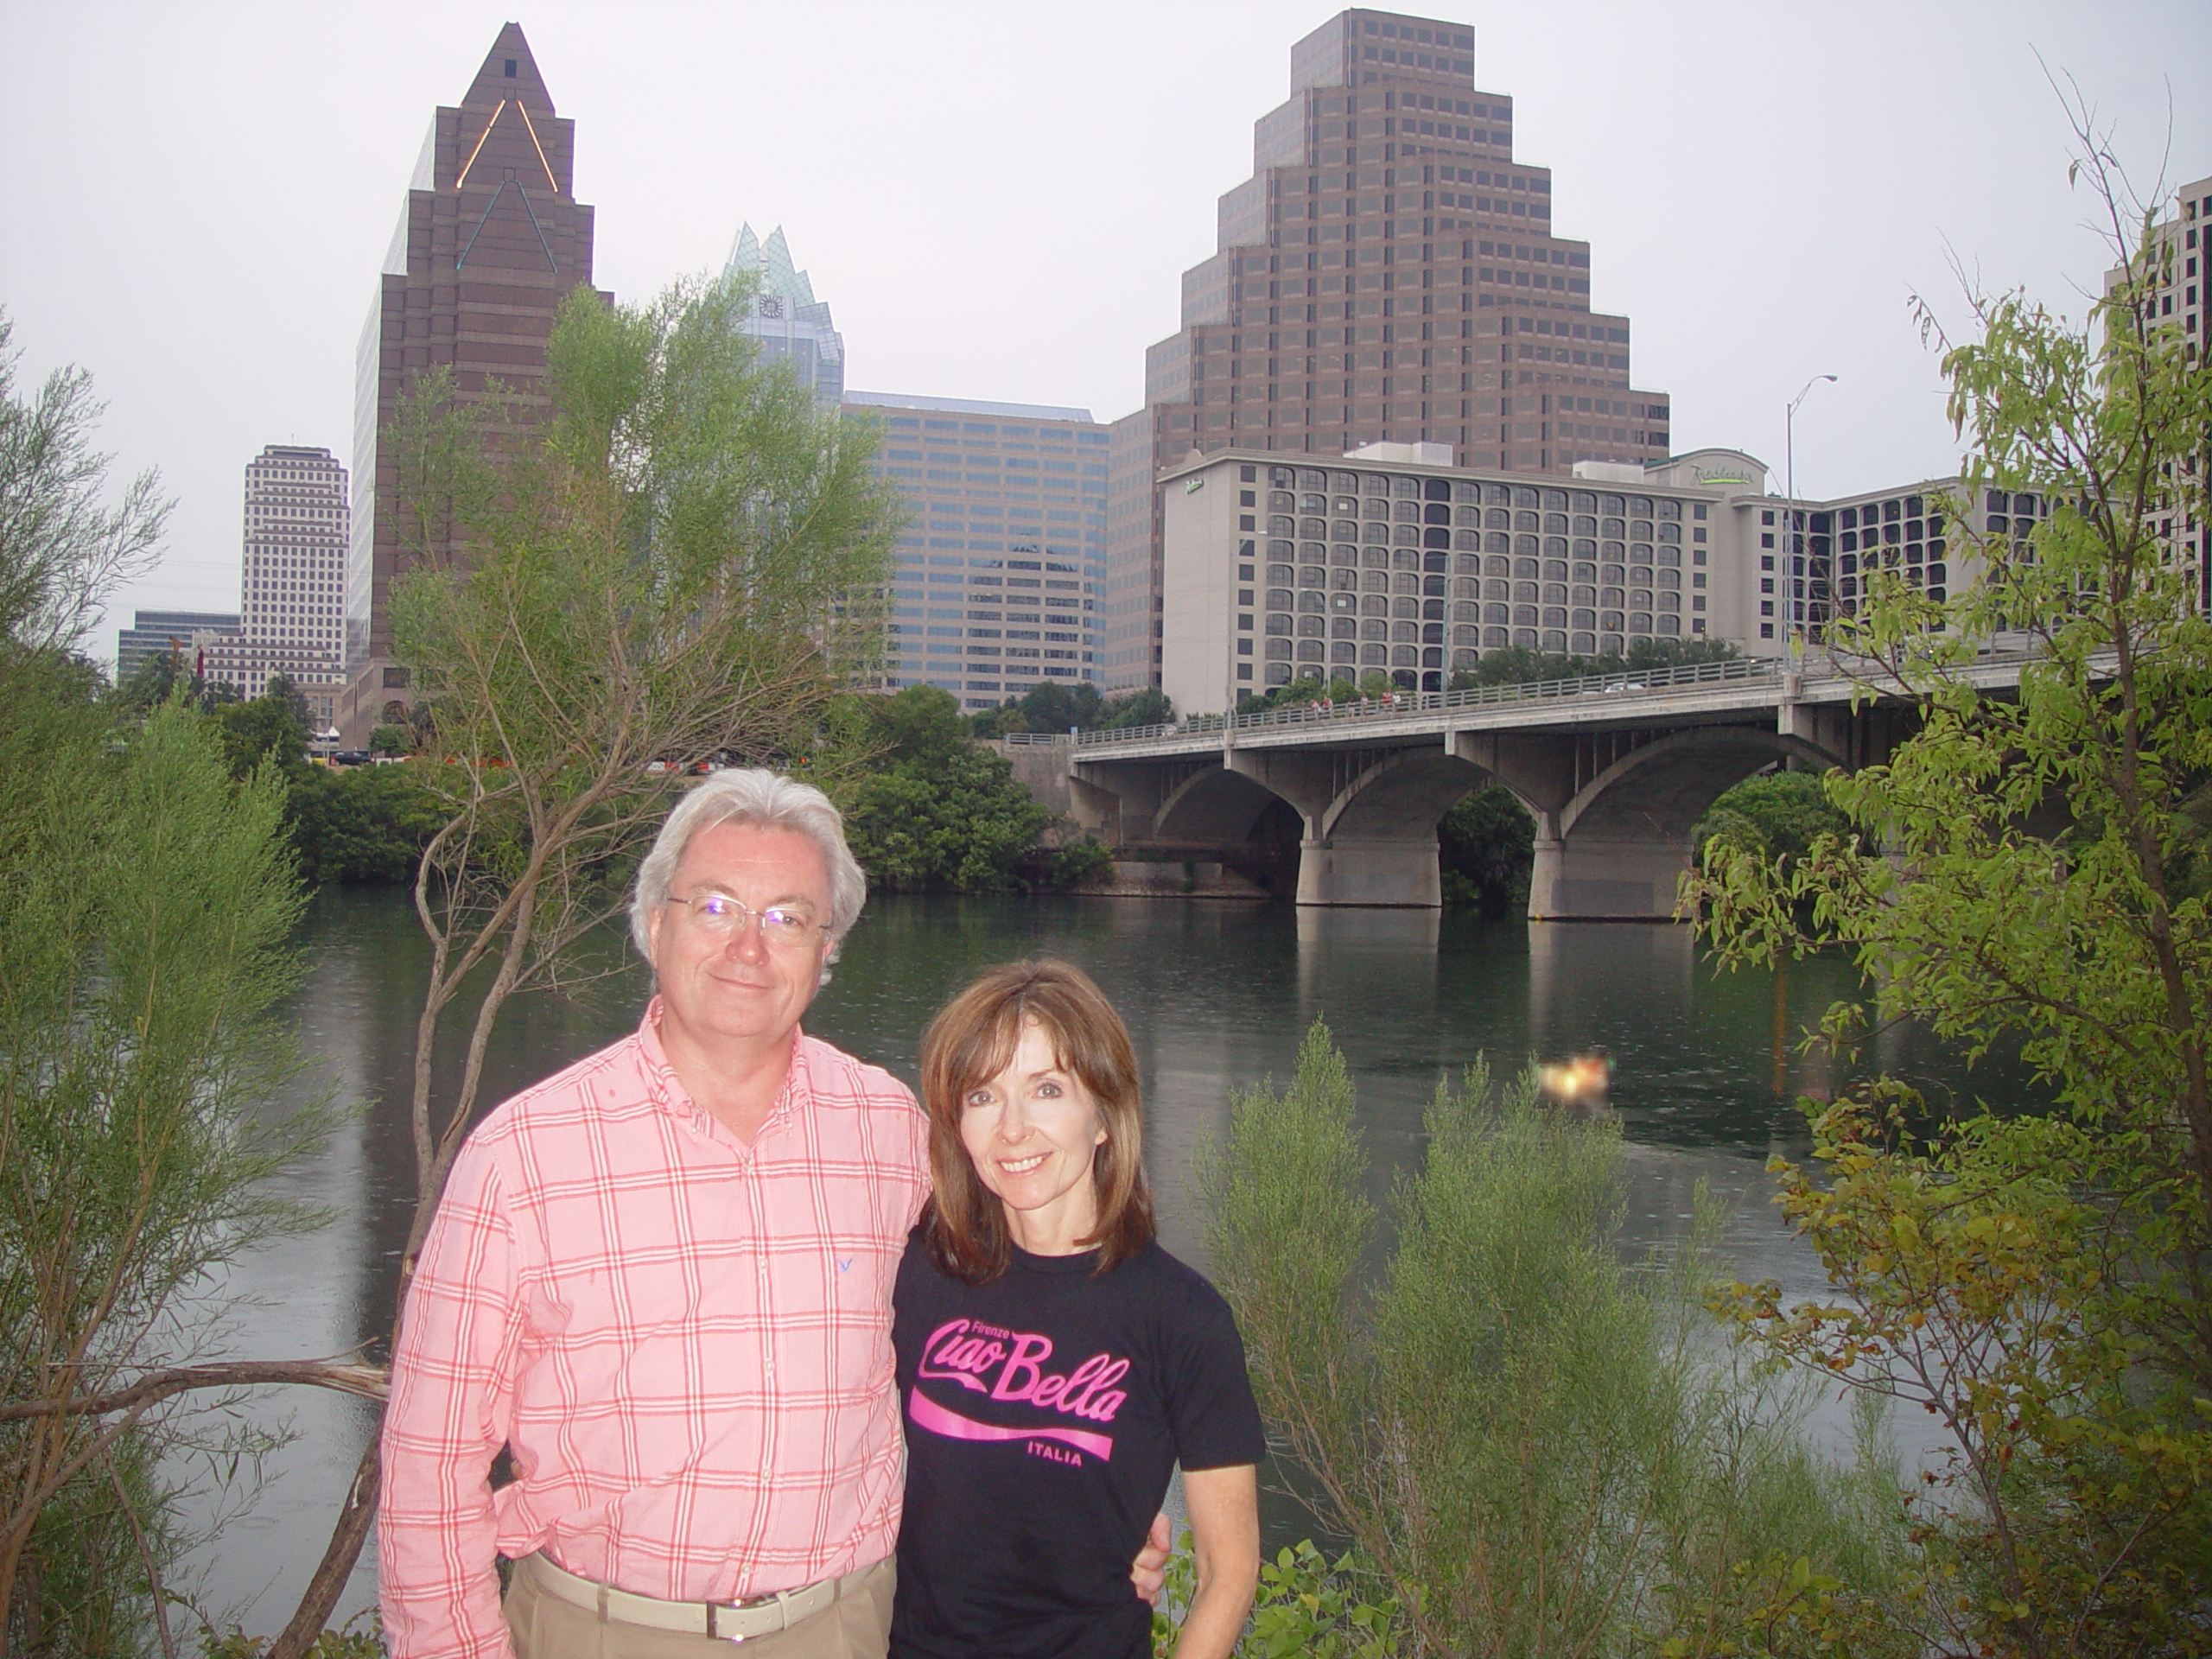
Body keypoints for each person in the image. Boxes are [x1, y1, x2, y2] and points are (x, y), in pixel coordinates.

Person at [379, 772, 1168, 1659]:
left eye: (788, 917)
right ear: (653, 922)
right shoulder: (522, 1155)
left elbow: (1017, 1324)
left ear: (825, 950)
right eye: (715, 906)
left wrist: (1098, 1502)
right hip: (600, 1632)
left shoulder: (891, 1133)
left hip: (847, 1629)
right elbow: (427, 1460)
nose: (749, 949)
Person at [891, 960, 1263, 1659]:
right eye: (982, 1097)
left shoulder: (1182, 1319)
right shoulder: (919, 1276)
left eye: (1047, 1090)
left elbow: (1228, 1573)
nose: (1012, 1129)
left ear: (1104, 1116)